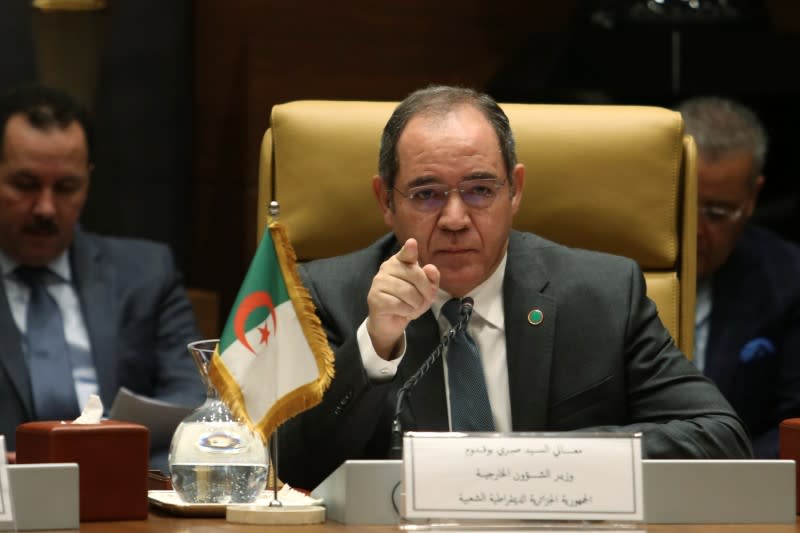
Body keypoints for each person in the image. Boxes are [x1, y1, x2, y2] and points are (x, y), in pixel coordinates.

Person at [278, 85, 752, 490]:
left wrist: (535, 462)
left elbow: (719, 439)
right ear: (386, 200)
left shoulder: (603, 294)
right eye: (427, 194)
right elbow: (285, 470)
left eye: (481, 190)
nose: (456, 220)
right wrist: (374, 348)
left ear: (516, 190)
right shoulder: (327, 296)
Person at [0, 84, 205, 468]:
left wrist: (113, 447)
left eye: (66, 188)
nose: (45, 208)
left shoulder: (146, 272)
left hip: (124, 489)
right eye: (25, 185)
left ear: (88, 182)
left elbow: (191, 390)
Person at [678, 96, 800, 458]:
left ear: (751, 198)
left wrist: (728, 475)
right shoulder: (604, 269)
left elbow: (795, 423)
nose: (697, 232)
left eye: (717, 213)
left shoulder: (788, 279)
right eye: (684, 205)